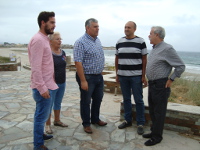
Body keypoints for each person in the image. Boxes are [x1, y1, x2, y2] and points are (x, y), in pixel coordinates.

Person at [144, 26, 185, 146]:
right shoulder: (155, 48)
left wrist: (171, 79)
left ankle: (157, 137)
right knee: (152, 110)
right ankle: (153, 132)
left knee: (159, 112)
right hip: (152, 84)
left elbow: (181, 66)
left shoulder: (167, 49)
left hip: (161, 85)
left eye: (150, 33)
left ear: (157, 35)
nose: (149, 35)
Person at [28, 11, 58, 150]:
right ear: (43, 23)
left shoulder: (44, 38)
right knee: (41, 117)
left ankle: (40, 135)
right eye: (51, 22)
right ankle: (38, 144)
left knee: (41, 114)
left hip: (48, 84)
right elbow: (35, 68)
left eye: (54, 22)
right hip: (43, 87)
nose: (54, 25)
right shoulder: (38, 40)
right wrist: (42, 88)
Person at [73, 18, 107, 134]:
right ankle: (86, 123)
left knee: (98, 99)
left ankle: (95, 119)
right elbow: (78, 62)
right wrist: (83, 81)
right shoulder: (80, 42)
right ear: (88, 28)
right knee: (86, 101)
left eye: (98, 26)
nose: (98, 29)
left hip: (98, 76)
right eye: (95, 26)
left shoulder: (97, 40)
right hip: (87, 77)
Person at [115, 21, 147, 135]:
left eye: (129, 27)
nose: (126, 29)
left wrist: (143, 76)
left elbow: (144, 59)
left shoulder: (141, 42)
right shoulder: (119, 41)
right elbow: (117, 58)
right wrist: (117, 73)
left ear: (134, 29)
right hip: (123, 76)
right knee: (126, 99)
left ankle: (140, 123)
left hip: (136, 77)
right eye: (125, 27)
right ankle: (127, 120)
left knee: (138, 100)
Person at [45, 32, 68, 134]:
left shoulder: (63, 53)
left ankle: (57, 121)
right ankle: (48, 125)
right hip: (51, 84)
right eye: (57, 39)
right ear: (50, 41)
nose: (60, 41)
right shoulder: (48, 53)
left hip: (62, 82)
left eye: (60, 39)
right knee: (49, 105)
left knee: (58, 103)